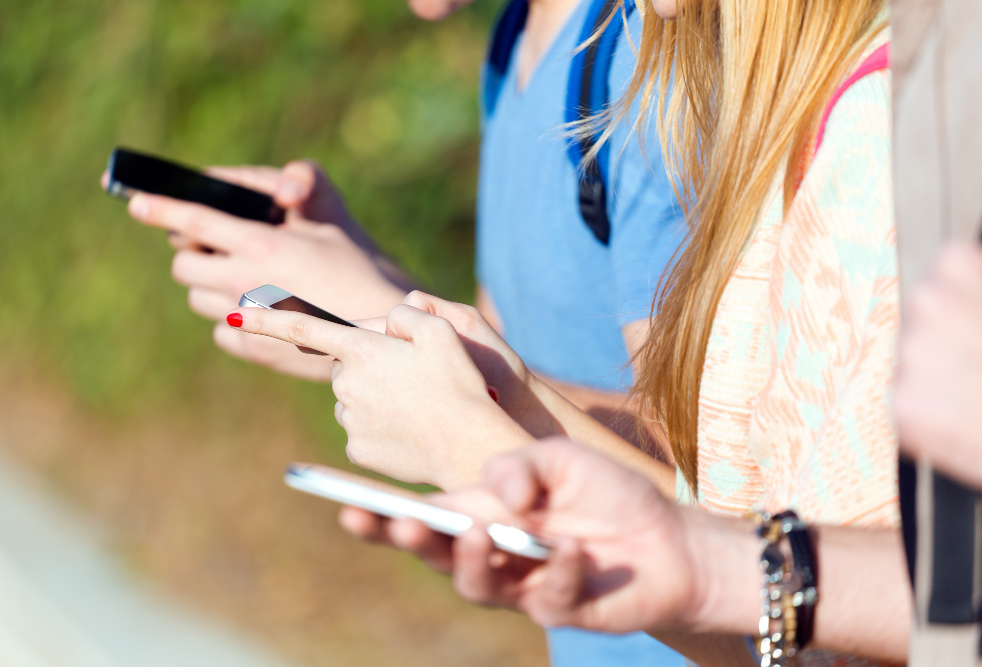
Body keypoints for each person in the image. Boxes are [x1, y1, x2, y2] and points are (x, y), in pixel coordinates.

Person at [225, 0, 898, 662]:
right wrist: (399, 348)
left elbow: (709, 489)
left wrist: (463, 430)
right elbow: (753, 563)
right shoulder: (523, 45)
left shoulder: (652, 51)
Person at [115, 0, 687, 664]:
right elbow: (514, 351)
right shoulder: (511, 45)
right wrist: (356, 314)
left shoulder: (649, 47)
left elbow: (723, 483)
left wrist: (374, 308)